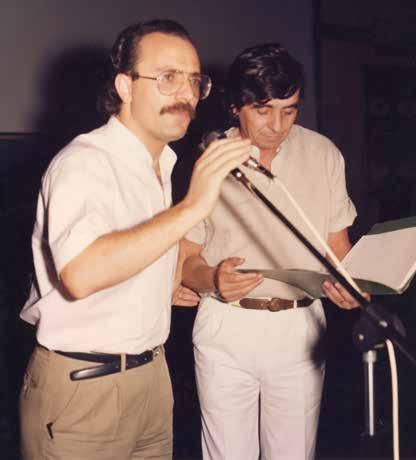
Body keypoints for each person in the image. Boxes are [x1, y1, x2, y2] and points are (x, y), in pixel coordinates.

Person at [19, 19, 252, 460]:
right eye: (167, 78)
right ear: (125, 86)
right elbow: (81, 275)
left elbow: (128, 250)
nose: (185, 93)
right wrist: (191, 207)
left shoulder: (162, 162)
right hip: (85, 386)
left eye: (194, 81)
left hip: (151, 378)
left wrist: (159, 286)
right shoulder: (83, 163)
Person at [182, 43, 362, 459]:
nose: (277, 125)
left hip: (300, 327)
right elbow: (185, 261)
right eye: (263, 110)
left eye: (290, 110)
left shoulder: (323, 154)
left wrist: (354, 286)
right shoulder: (210, 159)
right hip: (226, 325)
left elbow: (339, 250)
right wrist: (213, 279)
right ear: (235, 106)